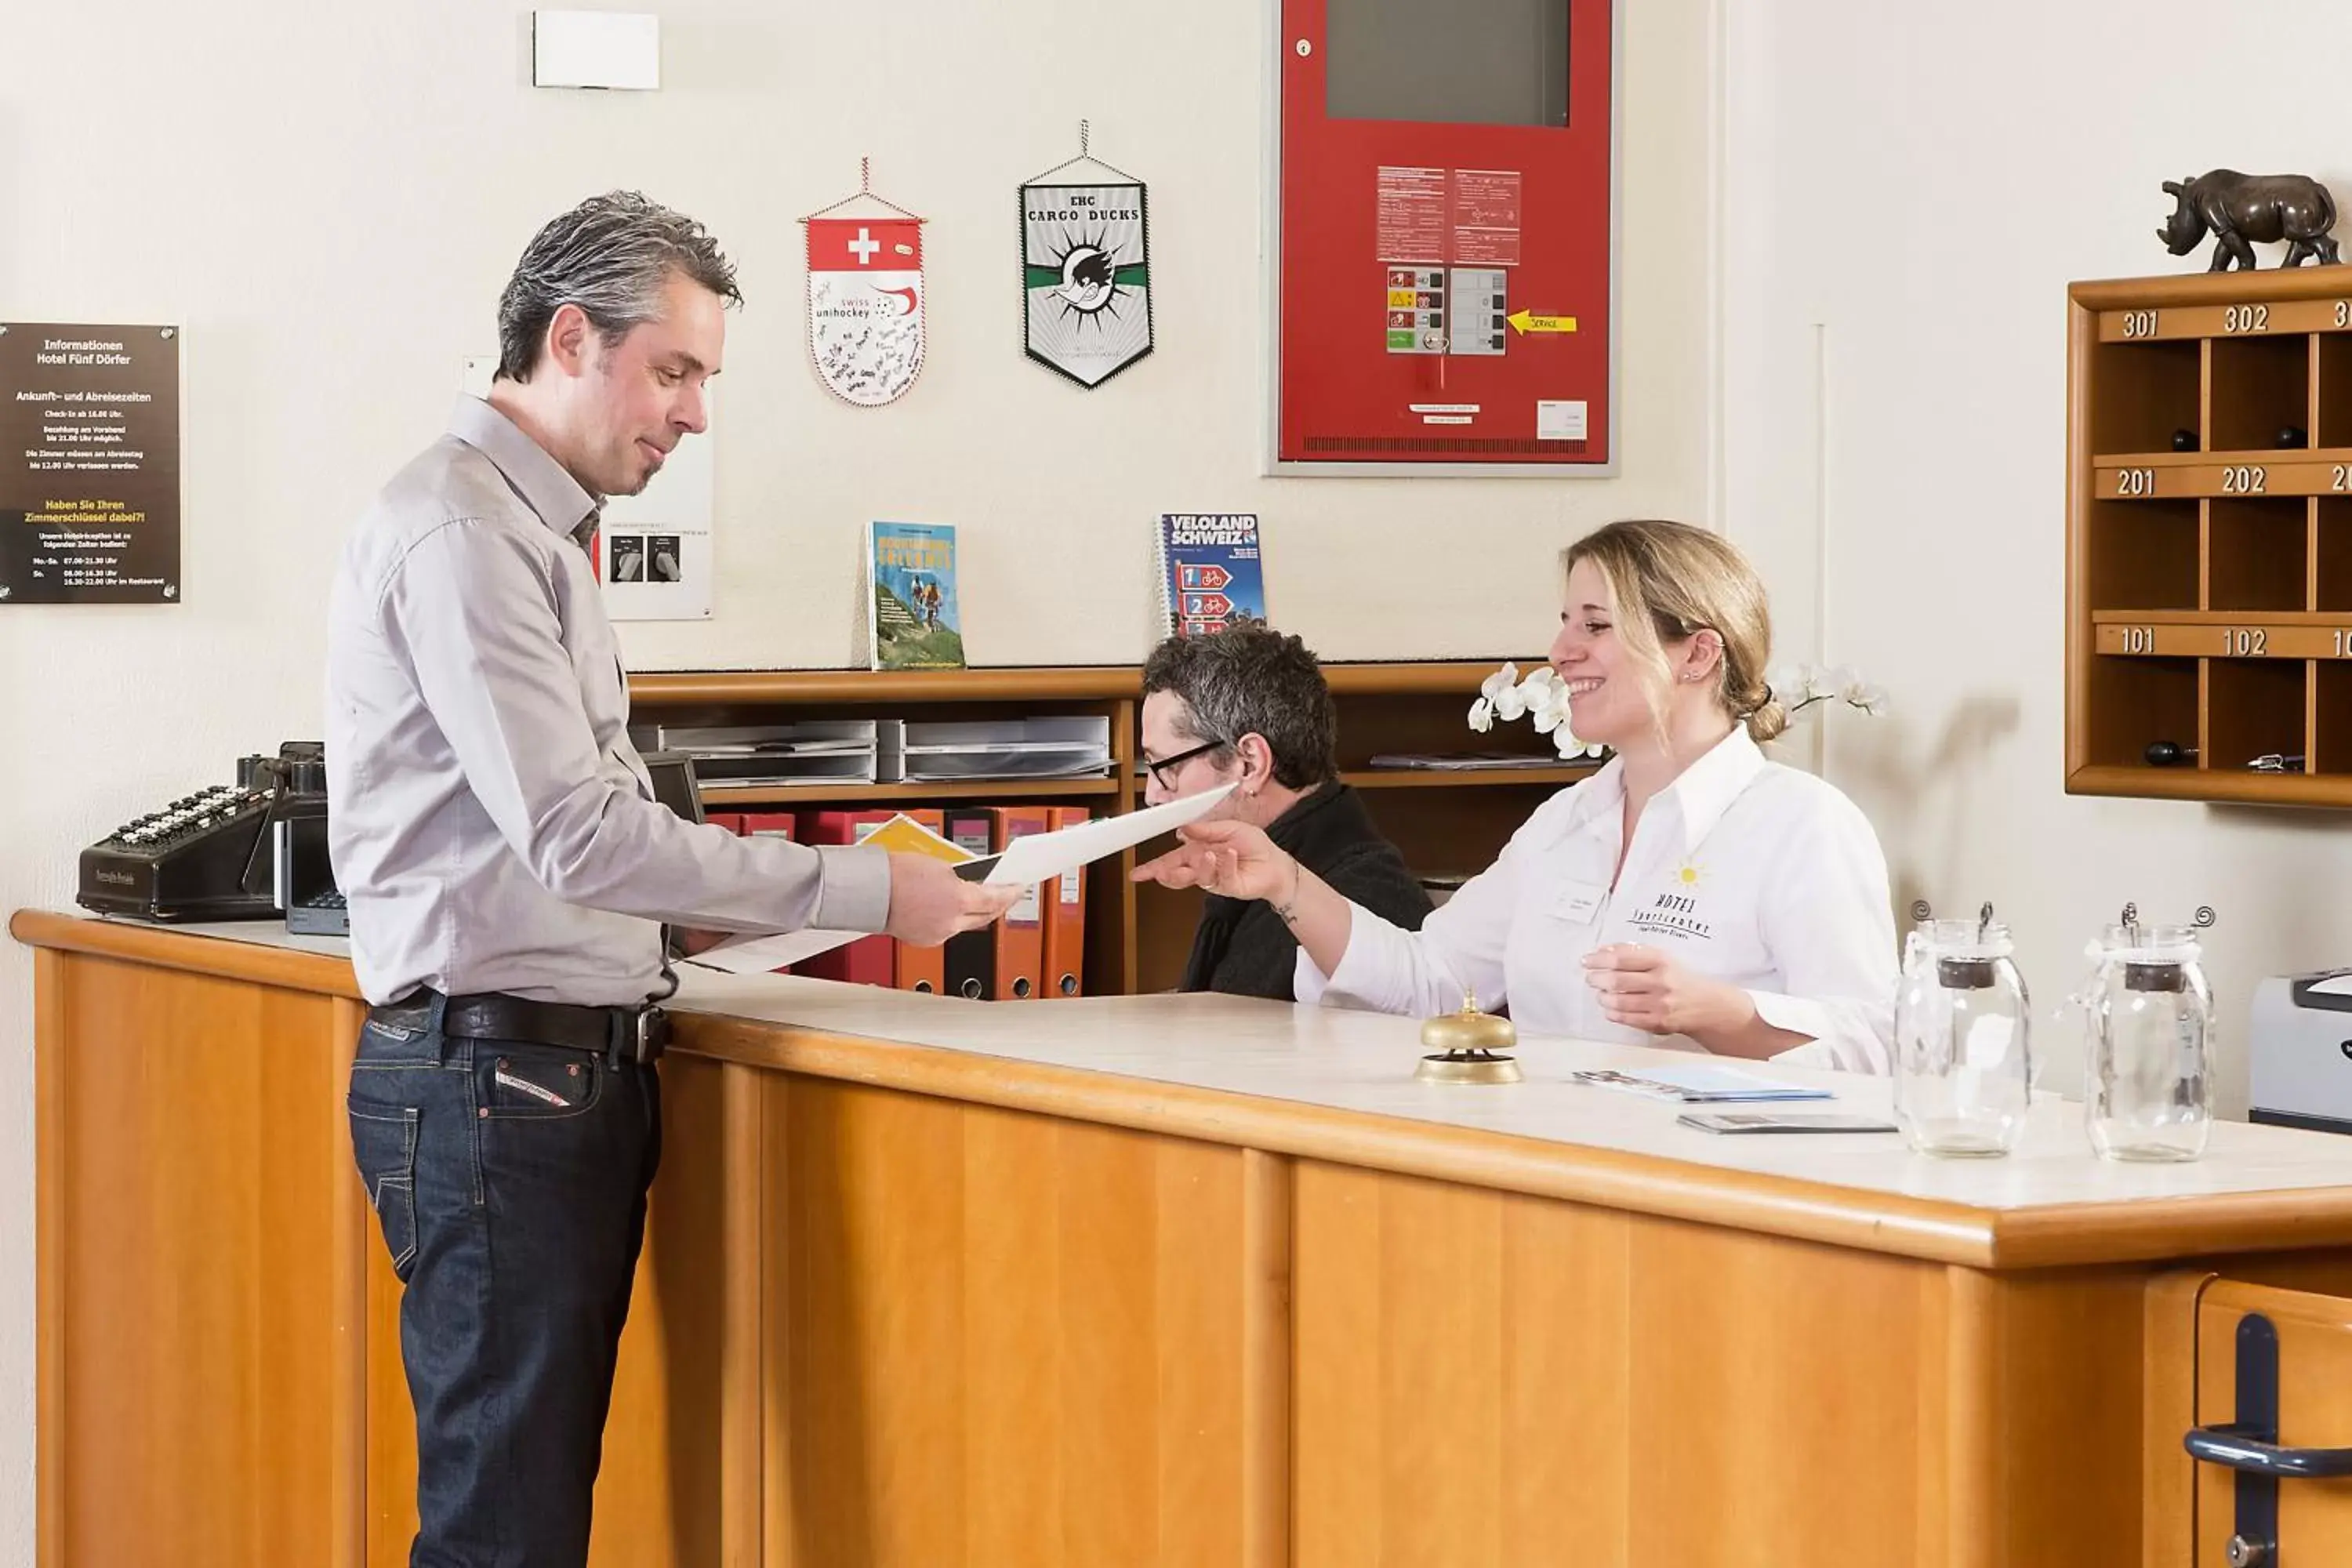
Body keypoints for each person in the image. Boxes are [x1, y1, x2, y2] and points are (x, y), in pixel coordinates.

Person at [325, 191, 1018, 1566]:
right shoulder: (469, 533)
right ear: (570, 339)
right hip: (499, 1084)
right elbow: (578, 836)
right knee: (502, 1537)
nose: (695, 415)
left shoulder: (531, 527)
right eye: (676, 371)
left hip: (535, 1077)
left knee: (519, 1518)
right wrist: (876, 890)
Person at [1136, 520, 1896, 1072]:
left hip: (1716, 1197)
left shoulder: (1803, 824)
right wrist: (1283, 880)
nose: (1562, 651)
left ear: (1697, 652)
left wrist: (1720, 1012)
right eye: (1565, 622)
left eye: (1596, 625)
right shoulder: (1565, 824)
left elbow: (1877, 1045)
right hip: (1548, 1178)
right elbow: (1428, 980)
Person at [1140, 623, 1432, 1000]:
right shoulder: (1251, 872)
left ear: (1249, 763)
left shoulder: (1362, 903)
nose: (1152, 794)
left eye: (1165, 768)